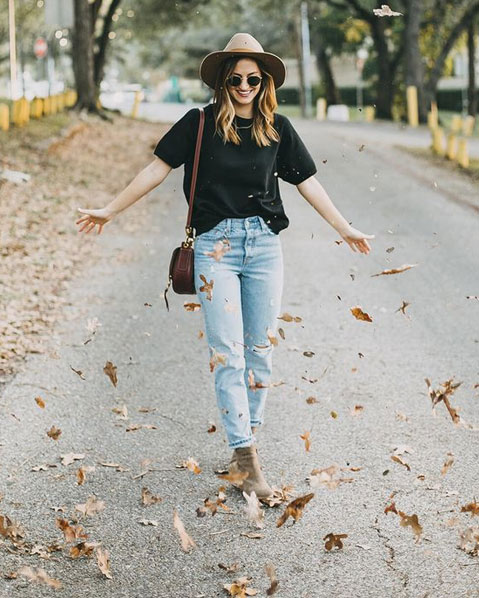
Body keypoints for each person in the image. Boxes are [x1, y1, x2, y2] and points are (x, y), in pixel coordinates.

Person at [76, 33, 374, 504]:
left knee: (260, 353)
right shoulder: (198, 125)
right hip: (214, 247)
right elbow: (156, 169)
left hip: (264, 247)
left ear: (264, 82)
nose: (244, 85)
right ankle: (247, 458)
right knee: (228, 354)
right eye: (235, 77)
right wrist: (109, 211)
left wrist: (346, 228)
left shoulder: (276, 128)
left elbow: (308, 183)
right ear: (221, 80)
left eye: (253, 78)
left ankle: (244, 445)